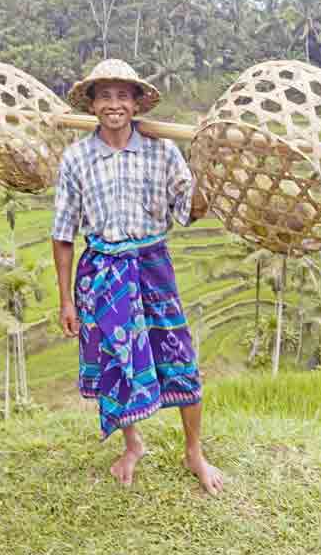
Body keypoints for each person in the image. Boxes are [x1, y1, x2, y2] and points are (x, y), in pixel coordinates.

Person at [51, 59, 223, 495]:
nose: (114, 104)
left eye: (122, 95)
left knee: (179, 355)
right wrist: (66, 300)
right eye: (104, 95)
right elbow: (62, 232)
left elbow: (190, 211)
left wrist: (210, 162)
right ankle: (133, 444)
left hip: (151, 265)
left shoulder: (162, 152)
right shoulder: (76, 158)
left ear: (135, 102)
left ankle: (193, 451)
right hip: (102, 270)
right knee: (116, 362)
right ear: (92, 104)